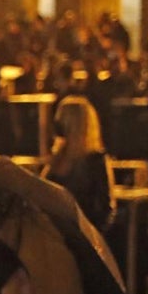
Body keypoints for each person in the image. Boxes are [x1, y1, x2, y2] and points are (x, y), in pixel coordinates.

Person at [41, 96, 114, 231]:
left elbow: (105, 208)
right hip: (53, 231)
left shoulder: (95, 160)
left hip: (81, 233)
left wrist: (90, 232)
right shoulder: (57, 157)